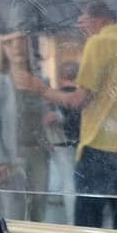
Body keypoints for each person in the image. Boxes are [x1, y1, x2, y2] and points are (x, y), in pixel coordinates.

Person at [14, 0, 117, 231]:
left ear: (100, 19)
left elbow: (78, 100)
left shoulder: (98, 43)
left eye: (83, 21)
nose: (81, 28)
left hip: (101, 145)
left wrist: (40, 88)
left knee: (88, 216)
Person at [0, 31, 51, 221]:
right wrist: (1, 160)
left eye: (21, 40)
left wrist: (54, 118)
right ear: (2, 49)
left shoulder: (41, 82)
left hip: (40, 154)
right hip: (13, 156)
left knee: (39, 207)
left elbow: (53, 112)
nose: (17, 47)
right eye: (9, 42)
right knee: (14, 210)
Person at [45, 60, 81, 224]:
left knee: (67, 181)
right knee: (76, 180)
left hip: (61, 143)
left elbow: (50, 119)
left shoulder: (54, 96)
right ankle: (74, 217)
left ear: (61, 76)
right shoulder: (83, 96)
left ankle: (70, 219)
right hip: (82, 141)